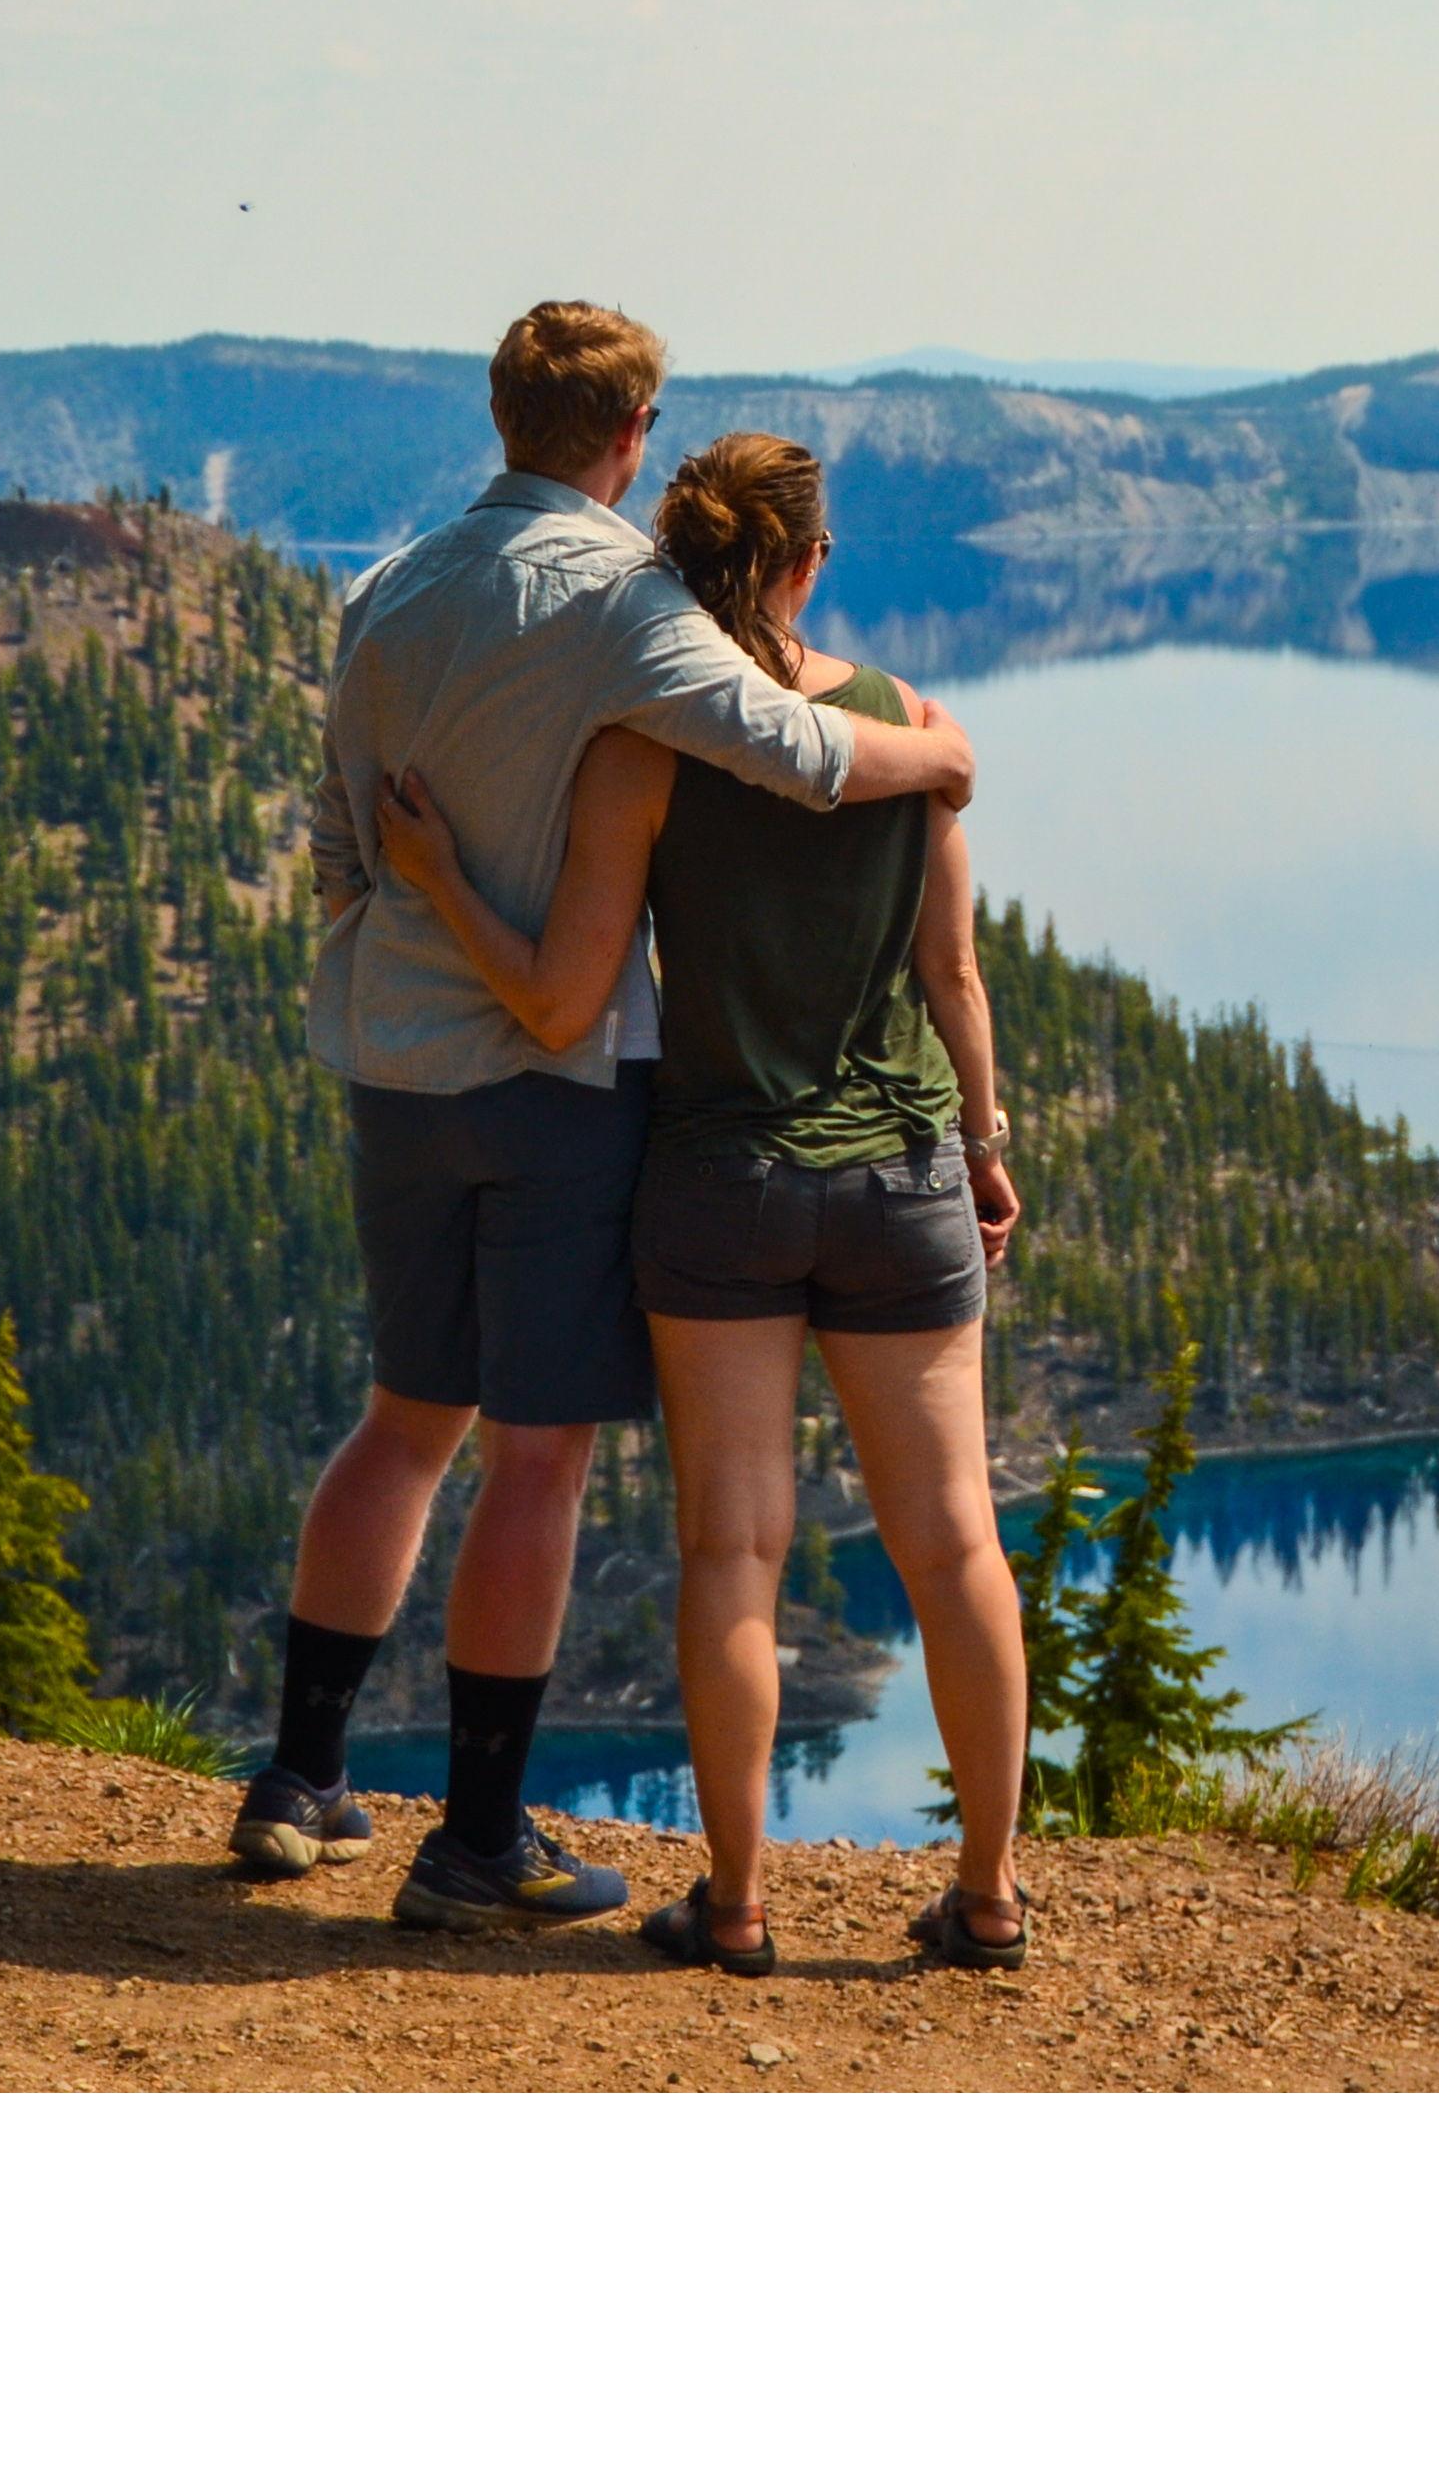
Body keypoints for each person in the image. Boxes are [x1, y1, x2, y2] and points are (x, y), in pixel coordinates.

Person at [237, 310, 978, 1933]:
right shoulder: (626, 602)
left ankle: (300, 1778)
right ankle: (483, 1836)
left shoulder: (390, 584)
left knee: (404, 1416)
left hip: (396, 1057)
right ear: (633, 431)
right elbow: (788, 746)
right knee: (541, 1459)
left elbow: (337, 830)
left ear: (501, 415)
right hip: (556, 1084)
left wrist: (394, 924)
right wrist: (939, 751)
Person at [375, 428, 1034, 1976]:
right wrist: (985, 1143)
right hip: (900, 1175)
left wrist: (436, 875)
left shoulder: (644, 749)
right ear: (808, 561)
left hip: (721, 1180)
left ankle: (734, 1907)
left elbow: (555, 1003)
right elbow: (952, 975)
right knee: (955, 1549)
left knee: (733, 1551)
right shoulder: (908, 729)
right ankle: (991, 1899)